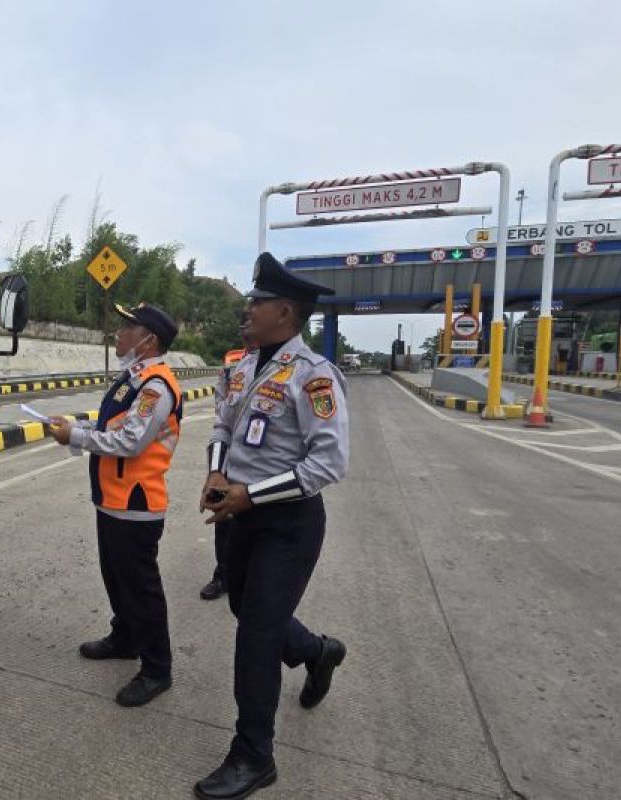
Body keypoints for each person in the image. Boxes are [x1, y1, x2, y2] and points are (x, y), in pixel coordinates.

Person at [194, 253, 350, 800]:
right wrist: (217, 469)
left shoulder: (315, 378)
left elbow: (327, 464)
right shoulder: (241, 366)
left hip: (286, 523)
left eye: (256, 302)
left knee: (256, 634)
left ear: (284, 311)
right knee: (246, 607)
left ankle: (254, 755)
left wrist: (249, 494)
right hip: (239, 514)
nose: (246, 308)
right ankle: (317, 651)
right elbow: (222, 423)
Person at [49, 303, 182, 708]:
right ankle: (125, 637)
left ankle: (157, 668)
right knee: (115, 577)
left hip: (136, 504)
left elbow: (130, 442)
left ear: (149, 340)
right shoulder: (132, 378)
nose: (120, 334)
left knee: (141, 589)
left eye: (129, 328)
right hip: (112, 499)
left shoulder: (156, 385)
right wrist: (75, 428)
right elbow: (112, 428)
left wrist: (76, 437)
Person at [201, 328, 257, 601]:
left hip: (257, 452)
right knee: (222, 511)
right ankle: (222, 574)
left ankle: (250, 575)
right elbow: (221, 395)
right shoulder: (233, 359)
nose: (247, 328)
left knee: (252, 511)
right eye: (243, 324)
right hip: (226, 444)